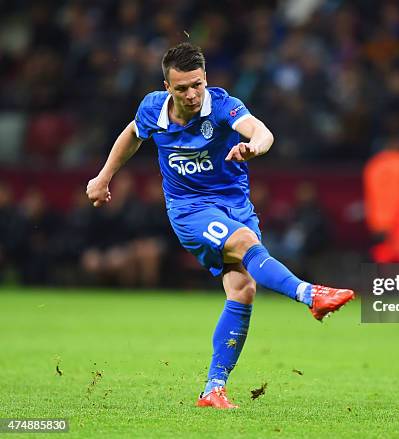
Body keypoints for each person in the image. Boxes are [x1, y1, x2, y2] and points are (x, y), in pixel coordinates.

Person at [86, 43, 354, 409]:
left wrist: (253, 148)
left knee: (243, 289)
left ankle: (213, 388)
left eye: (197, 84)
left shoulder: (223, 105)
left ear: (206, 79)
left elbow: (261, 131)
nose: (192, 94)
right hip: (189, 210)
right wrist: (103, 177)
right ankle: (311, 295)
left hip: (235, 207)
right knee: (244, 242)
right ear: (168, 88)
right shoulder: (153, 109)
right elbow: (132, 134)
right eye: (181, 88)